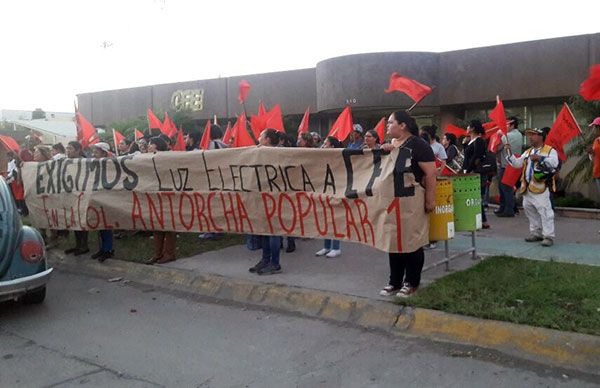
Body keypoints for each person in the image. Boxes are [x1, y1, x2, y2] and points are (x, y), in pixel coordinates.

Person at [379, 111, 436, 298]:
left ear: (402, 125)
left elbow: (430, 174)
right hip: (392, 201)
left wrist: (430, 199)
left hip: (412, 200)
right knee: (393, 241)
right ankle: (394, 281)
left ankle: (412, 282)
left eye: (390, 122)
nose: (387, 126)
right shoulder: (389, 146)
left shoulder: (420, 145)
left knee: (412, 242)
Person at [507, 128, 559, 247]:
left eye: (533, 135)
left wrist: (540, 158)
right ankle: (536, 232)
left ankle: (548, 236)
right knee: (529, 209)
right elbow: (517, 163)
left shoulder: (550, 151)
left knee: (545, 212)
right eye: (529, 135)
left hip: (541, 187)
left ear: (541, 137)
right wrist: (509, 153)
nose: (530, 137)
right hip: (527, 188)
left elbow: (554, 163)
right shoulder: (528, 152)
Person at [249, 129, 284, 275]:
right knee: (263, 231)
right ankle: (265, 260)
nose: (258, 138)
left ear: (268, 139)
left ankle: (275, 264)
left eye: (260, 136)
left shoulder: (279, 154)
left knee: (273, 233)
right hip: (262, 199)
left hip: (275, 200)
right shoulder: (259, 153)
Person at [145, 137, 178, 264]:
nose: (148, 146)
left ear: (158, 145)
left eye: (150, 144)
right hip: (154, 196)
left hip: (167, 195)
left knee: (168, 225)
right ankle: (158, 254)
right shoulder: (146, 159)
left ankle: (169, 253)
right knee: (156, 225)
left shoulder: (168, 158)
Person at [315, 136, 344, 258]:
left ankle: (336, 248)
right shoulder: (323, 157)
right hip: (325, 191)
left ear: (332, 146)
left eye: (325, 143)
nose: (323, 145)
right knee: (326, 220)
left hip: (336, 191)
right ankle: (327, 246)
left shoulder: (339, 159)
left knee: (335, 220)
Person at [88, 142, 115, 262]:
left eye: (96, 152)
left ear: (104, 153)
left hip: (108, 197)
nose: (93, 154)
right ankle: (102, 249)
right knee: (99, 225)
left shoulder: (112, 164)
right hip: (97, 196)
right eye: (93, 152)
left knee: (106, 225)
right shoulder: (93, 164)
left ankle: (108, 250)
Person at [462, 120, 490, 229]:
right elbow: (467, 156)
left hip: (475, 172)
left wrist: (469, 170)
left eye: (469, 126)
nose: (467, 128)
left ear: (473, 128)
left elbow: (476, 157)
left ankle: (483, 220)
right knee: (474, 196)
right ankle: (480, 219)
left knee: (477, 196)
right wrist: (464, 145)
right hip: (469, 170)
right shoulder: (470, 141)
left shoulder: (478, 141)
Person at [64, 141, 90, 255]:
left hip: (83, 195)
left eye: (70, 148)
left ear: (78, 150)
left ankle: (84, 246)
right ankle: (78, 245)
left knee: (82, 220)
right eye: (67, 148)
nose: (67, 151)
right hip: (71, 195)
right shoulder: (66, 162)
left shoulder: (86, 162)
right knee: (74, 220)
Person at [495, 117, 524, 217]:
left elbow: (502, 143)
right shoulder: (512, 134)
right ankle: (503, 208)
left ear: (512, 125)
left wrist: (500, 133)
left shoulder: (515, 135)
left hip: (509, 165)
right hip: (505, 164)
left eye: (506, 124)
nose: (504, 127)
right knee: (502, 188)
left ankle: (509, 210)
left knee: (507, 188)